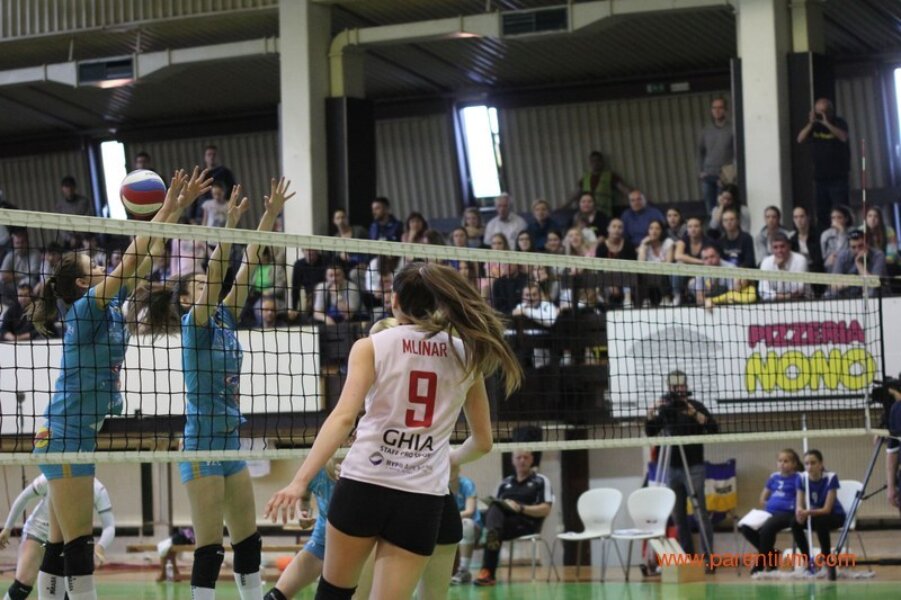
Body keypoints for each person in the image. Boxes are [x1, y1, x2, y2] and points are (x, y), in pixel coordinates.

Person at [264, 262, 523, 600]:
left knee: (333, 593)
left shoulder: (371, 345)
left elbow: (343, 418)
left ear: (394, 300)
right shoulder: (467, 354)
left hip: (364, 484)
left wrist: (299, 481)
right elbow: (484, 442)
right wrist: (448, 459)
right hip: (422, 496)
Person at [27, 168, 206, 600]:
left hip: (77, 433)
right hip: (63, 434)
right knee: (77, 543)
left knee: (59, 542)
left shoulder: (109, 309)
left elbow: (144, 257)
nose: (102, 267)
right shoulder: (86, 308)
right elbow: (129, 261)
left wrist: (175, 211)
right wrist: (163, 208)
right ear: (83, 283)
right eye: (95, 267)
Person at [127, 178, 293, 600]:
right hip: (201, 444)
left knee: (248, 541)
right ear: (186, 300)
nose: (207, 288)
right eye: (199, 286)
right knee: (209, 548)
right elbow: (219, 273)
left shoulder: (223, 318)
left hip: (230, 440)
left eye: (206, 284)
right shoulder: (194, 324)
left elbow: (246, 266)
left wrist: (268, 216)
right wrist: (227, 226)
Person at [0, 476, 115, 600]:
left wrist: (101, 546)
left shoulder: (97, 489)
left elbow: (109, 526)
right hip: (38, 533)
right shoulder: (51, 476)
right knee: (23, 584)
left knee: (68, 590)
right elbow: (24, 497)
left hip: (68, 541)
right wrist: (7, 528)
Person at [645, 371, 718, 566]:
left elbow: (713, 429)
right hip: (672, 468)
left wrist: (692, 413)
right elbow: (651, 431)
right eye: (674, 386)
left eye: (681, 385)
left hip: (694, 467)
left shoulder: (695, 406)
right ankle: (688, 557)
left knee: (700, 513)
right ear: (669, 388)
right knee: (678, 515)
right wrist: (651, 412)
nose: (678, 389)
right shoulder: (666, 410)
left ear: (686, 386)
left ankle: (708, 558)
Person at [263, 455, 342, 600]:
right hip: (322, 541)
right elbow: (304, 497)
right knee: (275, 597)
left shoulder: (363, 467)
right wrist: (303, 513)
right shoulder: (315, 467)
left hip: (358, 544)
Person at [473, 450, 553, 587]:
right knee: (493, 510)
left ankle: (487, 571)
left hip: (527, 523)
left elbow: (546, 509)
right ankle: (489, 535)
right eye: (518, 457)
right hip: (504, 524)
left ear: (531, 459)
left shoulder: (541, 481)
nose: (522, 460)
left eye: (525, 457)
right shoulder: (505, 483)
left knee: (493, 527)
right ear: (513, 460)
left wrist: (521, 508)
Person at [738, 449, 802, 574]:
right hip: (770, 513)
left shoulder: (799, 478)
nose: (782, 464)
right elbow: (762, 499)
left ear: (794, 463)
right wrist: (771, 504)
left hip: (788, 514)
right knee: (745, 526)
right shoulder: (773, 477)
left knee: (768, 527)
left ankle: (761, 563)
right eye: (780, 461)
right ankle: (772, 554)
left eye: (786, 461)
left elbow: (802, 497)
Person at [796, 98, 851, 229]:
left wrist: (826, 123)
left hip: (838, 177)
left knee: (840, 211)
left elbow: (843, 137)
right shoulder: (813, 126)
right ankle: (824, 236)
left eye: (825, 111)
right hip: (820, 178)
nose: (822, 115)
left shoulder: (839, 122)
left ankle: (843, 234)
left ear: (831, 111)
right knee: (822, 213)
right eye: (819, 112)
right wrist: (811, 123)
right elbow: (800, 139)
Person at [792, 450, 845, 578]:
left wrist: (807, 512)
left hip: (834, 516)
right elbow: (799, 504)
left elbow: (827, 509)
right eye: (806, 463)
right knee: (794, 523)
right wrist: (799, 513)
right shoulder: (802, 478)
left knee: (821, 522)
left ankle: (827, 561)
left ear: (821, 464)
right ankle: (807, 560)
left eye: (813, 463)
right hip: (813, 515)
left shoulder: (831, 477)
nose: (809, 467)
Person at [698, 97, 735, 213]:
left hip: (725, 176)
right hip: (708, 175)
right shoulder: (706, 130)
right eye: (714, 108)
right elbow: (700, 151)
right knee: (710, 209)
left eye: (720, 107)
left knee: (724, 208)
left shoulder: (732, 129)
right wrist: (700, 170)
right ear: (711, 110)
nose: (717, 110)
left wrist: (731, 174)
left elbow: (737, 152)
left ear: (725, 110)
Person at [569, 150, 631, 218]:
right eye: (593, 161)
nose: (596, 163)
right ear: (590, 163)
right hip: (588, 216)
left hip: (605, 215)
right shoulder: (585, 178)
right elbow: (574, 196)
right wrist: (564, 207)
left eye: (598, 160)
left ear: (602, 162)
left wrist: (636, 199)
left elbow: (625, 190)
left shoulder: (610, 176)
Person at [826, 229, 887, 298]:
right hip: (848, 298)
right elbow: (834, 285)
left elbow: (873, 286)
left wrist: (859, 263)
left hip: (876, 299)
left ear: (867, 244)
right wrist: (852, 281)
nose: (857, 250)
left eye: (860, 246)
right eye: (853, 247)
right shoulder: (843, 256)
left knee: (872, 292)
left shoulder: (878, 256)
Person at [448, 464, 482, 585]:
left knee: (465, 523)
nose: (450, 471)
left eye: (453, 467)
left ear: (459, 469)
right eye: (447, 467)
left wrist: (450, 517)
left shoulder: (467, 484)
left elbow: (469, 511)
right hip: (451, 527)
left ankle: (464, 570)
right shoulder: (441, 486)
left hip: (473, 528)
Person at [692, 245, 757, 307]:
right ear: (702, 260)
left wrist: (711, 300)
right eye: (706, 258)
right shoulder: (700, 272)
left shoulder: (730, 268)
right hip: (710, 305)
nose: (709, 260)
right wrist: (706, 302)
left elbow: (732, 293)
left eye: (712, 256)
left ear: (718, 256)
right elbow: (699, 298)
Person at [758, 232, 809, 302]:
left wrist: (782, 268)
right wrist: (785, 296)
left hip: (802, 300)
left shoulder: (800, 260)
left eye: (782, 246)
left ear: (789, 246)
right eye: (775, 247)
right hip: (774, 302)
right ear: (771, 249)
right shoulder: (766, 262)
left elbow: (799, 288)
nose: (779, 251)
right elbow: (763, 291)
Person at [789, 206, 824, 273]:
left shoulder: (819, 236)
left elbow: (819, 260)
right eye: (796, 217)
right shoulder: (793, 239)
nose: (799, 220)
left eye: (802, 216)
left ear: (808, 217)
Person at [820, 205, 852, 271]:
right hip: (831, 266)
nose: (836, 221)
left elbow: (845, 254)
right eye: (833, 218)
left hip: (848, 266)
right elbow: (824, 256)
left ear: (846, 219)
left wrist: (842, 233)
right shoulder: (826, 234)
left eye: (839, 218)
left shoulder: (852, 232)